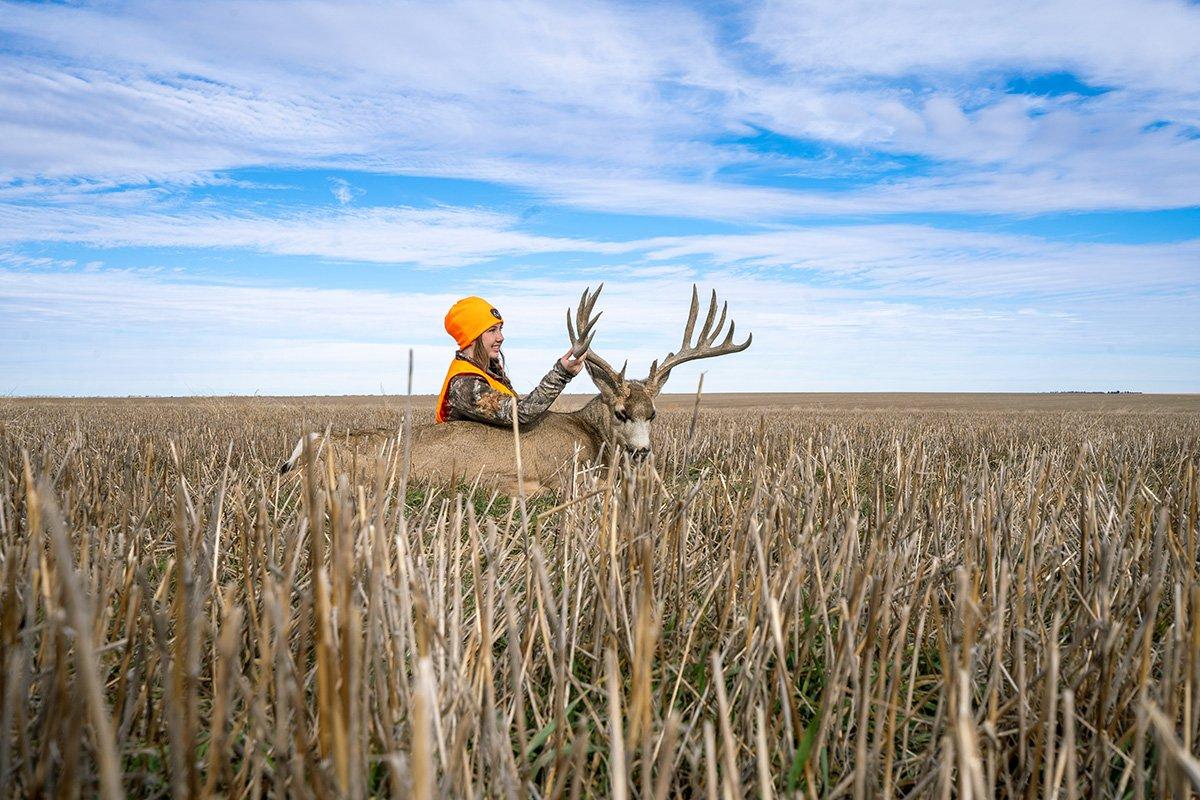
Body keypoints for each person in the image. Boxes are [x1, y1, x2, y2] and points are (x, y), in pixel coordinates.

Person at [435, 296, 585, 426]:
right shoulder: (464, 384)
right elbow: (518, 414)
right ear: (472, 338)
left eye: (500, 329)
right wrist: (561, 375)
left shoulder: (489, 371)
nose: (500, 337)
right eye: (492, 330)